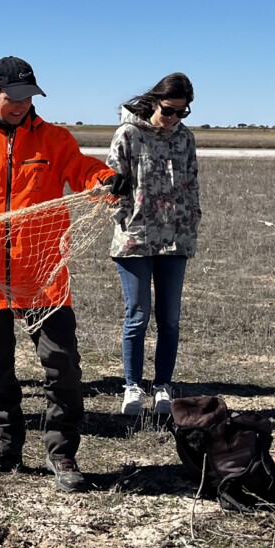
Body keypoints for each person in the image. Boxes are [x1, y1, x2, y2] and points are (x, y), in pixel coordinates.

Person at [0, 56, 115, 493]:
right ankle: (4, 444)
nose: (21, 106)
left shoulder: (54, 139)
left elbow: (84, 171)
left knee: (62, 364)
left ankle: (62, 451)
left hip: (44, 272)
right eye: (13, 98)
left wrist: (107, 180)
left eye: (29, 98)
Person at [105, 73, 201, 420]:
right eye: (169, 110)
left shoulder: (185, 138)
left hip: (175, 240)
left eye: (182, 112)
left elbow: (191, 184)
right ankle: (132, 386)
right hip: (135, 239)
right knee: (138, 315)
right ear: (154, 102)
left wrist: (191, 222)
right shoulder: (128, 134)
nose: (174, 118)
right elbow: (110, 186)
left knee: (170, 319)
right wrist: (125, 218)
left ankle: (163, 385)